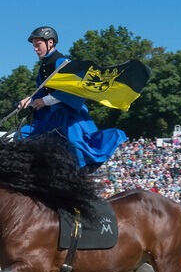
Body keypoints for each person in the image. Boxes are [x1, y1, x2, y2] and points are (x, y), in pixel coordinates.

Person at [18, 26, 127, 172]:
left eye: (38, 45)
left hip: (68, 114)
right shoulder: (43, 67)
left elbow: (74, 91)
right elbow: (41, 91)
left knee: (74, 142)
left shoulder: (62, 62)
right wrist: (29, 100)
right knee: (23, 135)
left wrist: (44, 101)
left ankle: (80, 175)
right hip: (51, 115)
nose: (35, 49)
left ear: (50, 42)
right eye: (34, 46)